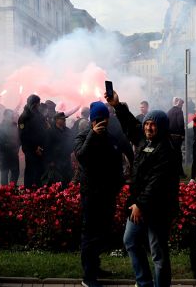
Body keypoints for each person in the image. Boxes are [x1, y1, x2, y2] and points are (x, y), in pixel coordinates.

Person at [109, 92, 180, 287]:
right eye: (147, 123)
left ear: (161, 127)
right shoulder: (144, 140)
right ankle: (144, 282)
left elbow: (156, 183)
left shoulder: (167, 150)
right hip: (139, 205)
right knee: (130, 240)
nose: (149, 127)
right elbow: (131, 125)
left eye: (153, 124)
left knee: (158, 253)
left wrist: (140, 204)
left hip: (157, 209)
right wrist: (117, 106)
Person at [73, 101, 126, 287]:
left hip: (108, 193)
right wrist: (93, 135)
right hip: (91, 194)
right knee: (90, 233)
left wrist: (118, 184)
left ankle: (95, 267)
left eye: (104, 119)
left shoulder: (110, 137)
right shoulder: (83, 136)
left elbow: (117, 161)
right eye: (97, 119)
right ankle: (88, 277)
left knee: (102, 233)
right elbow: (82, 157)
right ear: (92, 120)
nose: (101, 123)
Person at [18, 94, 47, 187]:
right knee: (30, 170)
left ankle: (38, 190)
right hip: (30, 149)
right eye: (38, 104)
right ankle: (29, 191)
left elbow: (41, 127)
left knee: (39, 170)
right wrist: (35, 148)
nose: (39, 106)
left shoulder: (37, 113)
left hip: (40, 147)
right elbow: (24, 136)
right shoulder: (24, 117)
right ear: (33, 104)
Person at [44, 112, 73, 184]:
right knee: (57, 181)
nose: (64, 120)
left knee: (67, 179)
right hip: (56, 160)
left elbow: (72, 142)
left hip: (66, 158)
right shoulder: (50, 132)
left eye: (64, 119)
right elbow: (47, 147)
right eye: (62, 119)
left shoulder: (68, 131)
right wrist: (50, 161)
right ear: (56, 120)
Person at [0, 109, 20, 185]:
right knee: (4, 173)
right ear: (5, 116)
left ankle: (12, 189)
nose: (11, 117)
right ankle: (5, 191)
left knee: (15, 172)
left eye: (11, 116)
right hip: (4, 155)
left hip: (13, 153)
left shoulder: (15, 126)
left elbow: (19, 138)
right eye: (9, 116)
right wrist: (9, 147)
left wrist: (17, 146)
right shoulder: (0, 128)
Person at [167, 97, 186, 177]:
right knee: (178, 155)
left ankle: (171, 172)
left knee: (171, 155)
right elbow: (181, 124)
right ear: (178, 103)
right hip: (177, 137)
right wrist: (182, 134)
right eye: (181, 103)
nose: (182, 105)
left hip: (169, 137)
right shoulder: (179, 111)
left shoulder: (169, 111)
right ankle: (180, 172)